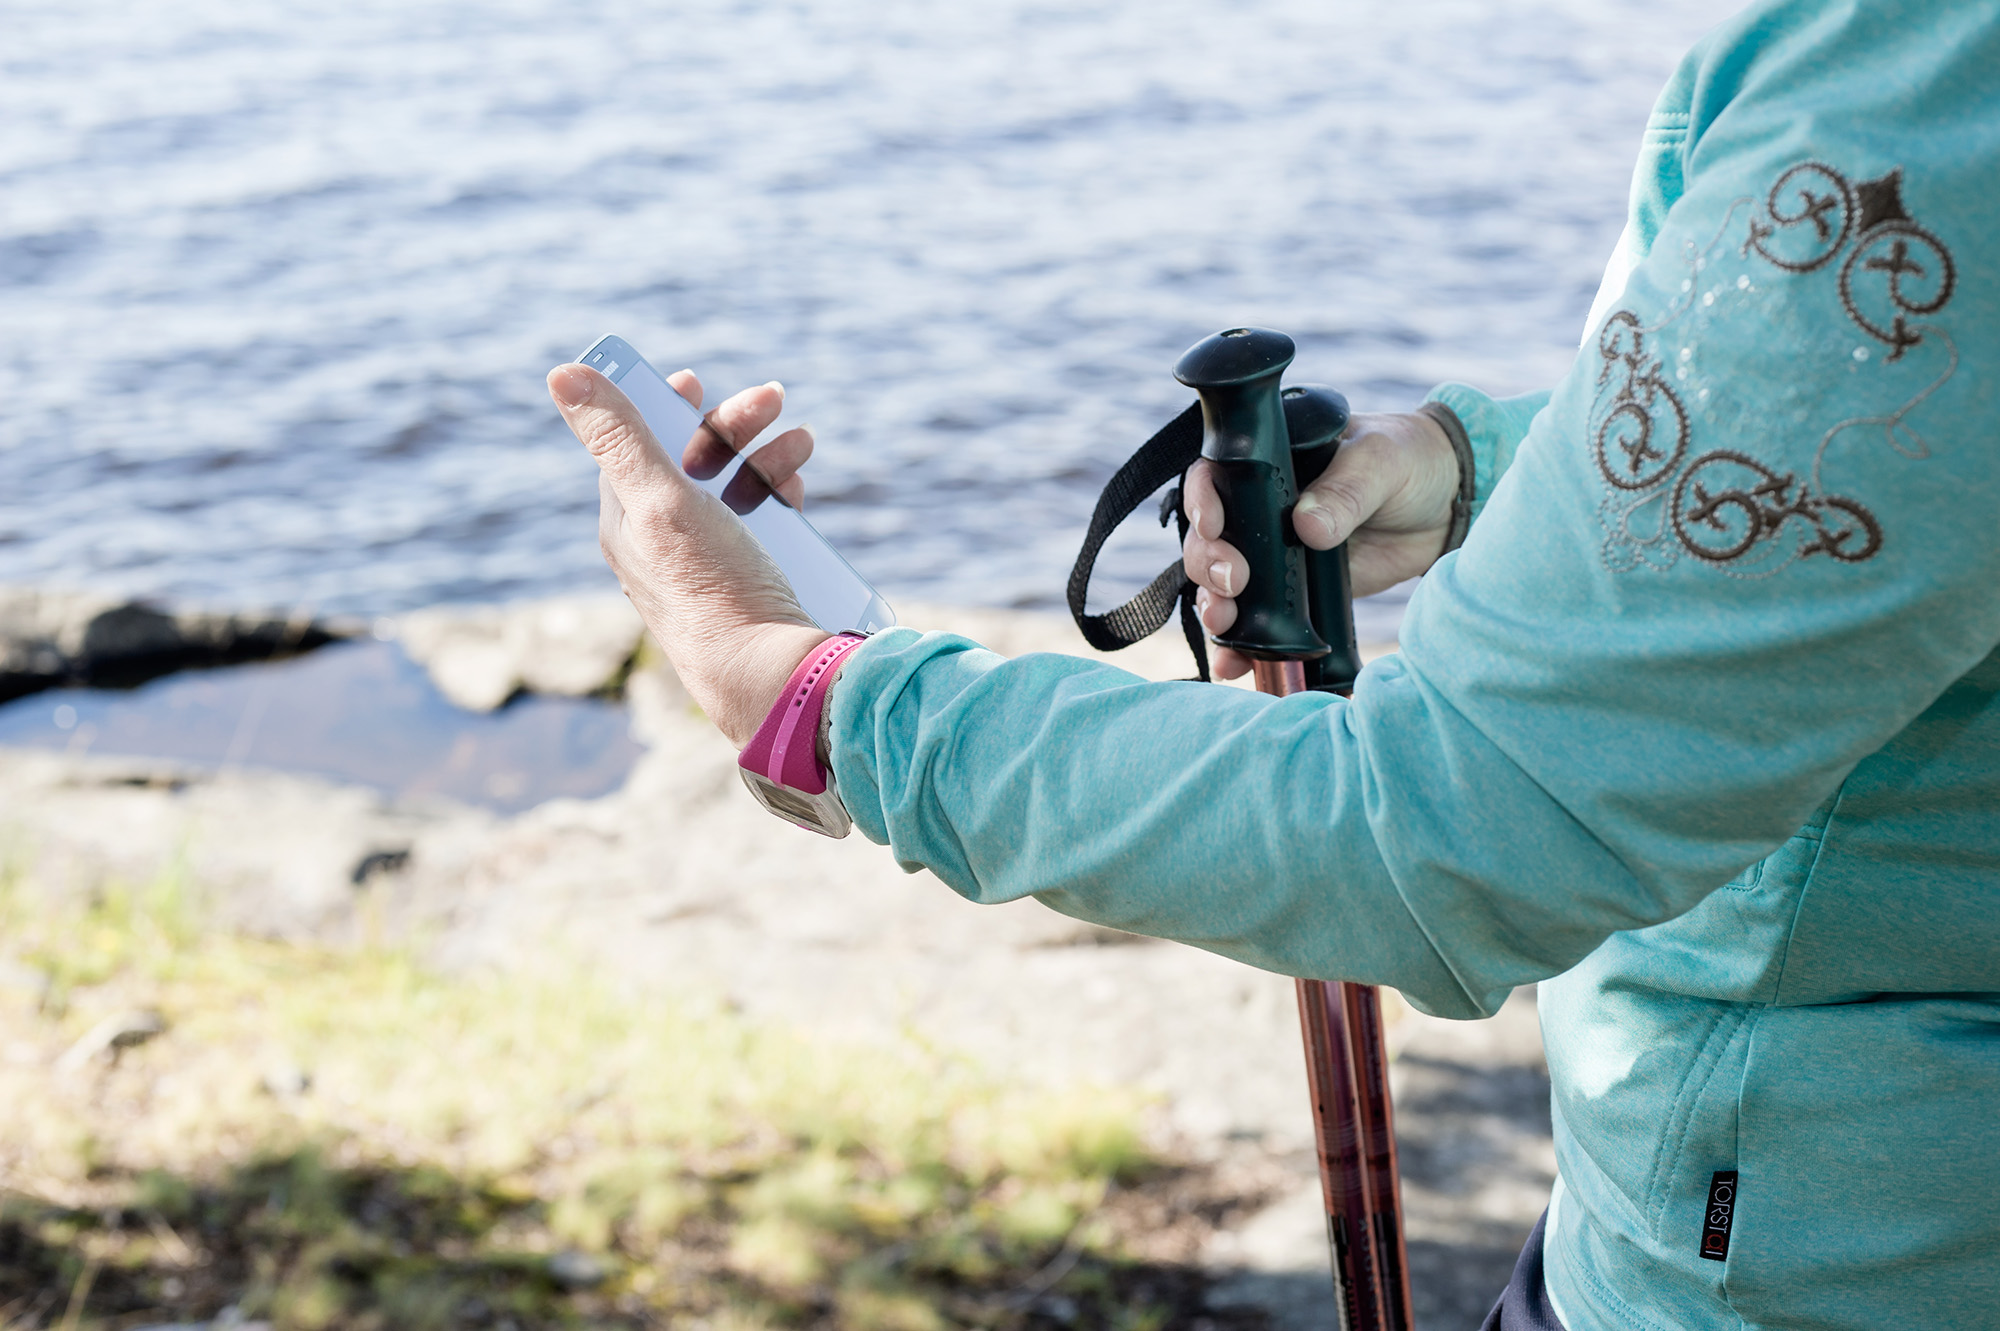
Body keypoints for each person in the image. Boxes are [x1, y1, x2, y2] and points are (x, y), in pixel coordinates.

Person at [548, 2, 1999, 1326]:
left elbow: (1449, 831)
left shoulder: (1920, 90)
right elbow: (1902, 442)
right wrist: (1484, 470)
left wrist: (821, 702)